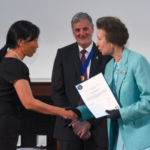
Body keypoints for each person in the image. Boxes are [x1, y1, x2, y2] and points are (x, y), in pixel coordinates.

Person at [72, 16, 150, 150]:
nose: (96, 44)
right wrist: (78, 112)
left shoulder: (137, 61)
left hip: (139, 140)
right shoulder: (109, 66)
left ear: (112, 40)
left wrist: (122, 113)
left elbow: (148, 100)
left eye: (100, 39)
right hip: (117, 138)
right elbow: (103, 102)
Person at [0, 20, 77, 150]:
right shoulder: (15, 65)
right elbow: (29, 103)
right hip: (5, 126)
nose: (37, 46)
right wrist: (63, 112)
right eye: (34, 40)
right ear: (20, 41)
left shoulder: (5, 60)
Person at [51, 12, 112, 150]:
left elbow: (108, 93)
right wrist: (74, 120)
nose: (82, 33)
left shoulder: (105, 55)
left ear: (92, 28)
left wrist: (89, 121)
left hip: (98, 126)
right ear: (73, 31)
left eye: (85, 29)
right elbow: (56, 91)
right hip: (69, 128)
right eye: (77, 30)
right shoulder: (63, 54)